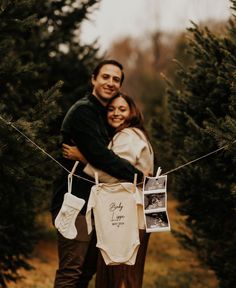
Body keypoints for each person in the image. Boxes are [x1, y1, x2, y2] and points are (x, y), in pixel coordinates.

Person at [50, 59, 144, 288]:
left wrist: (85, 157)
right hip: (76, 205)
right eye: (105, 76)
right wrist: (138, 176)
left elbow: (99, 156)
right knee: (71, 272)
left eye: (116, 79)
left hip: (97, 206)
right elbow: (101, 156)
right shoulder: (84, 112)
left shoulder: (104, 114)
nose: (110, 82)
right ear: (94, 78)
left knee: (86, 270)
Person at [63, 92, 154, 288]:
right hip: (135, 214)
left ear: (132, 112)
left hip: (126, 216)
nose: (115, 113)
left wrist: (85, 159)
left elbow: (117, 174)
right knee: (128, 274)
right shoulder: (134, 134)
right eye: (111, 109)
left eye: (122, 109)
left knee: (118, 275)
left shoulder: (127, 136)